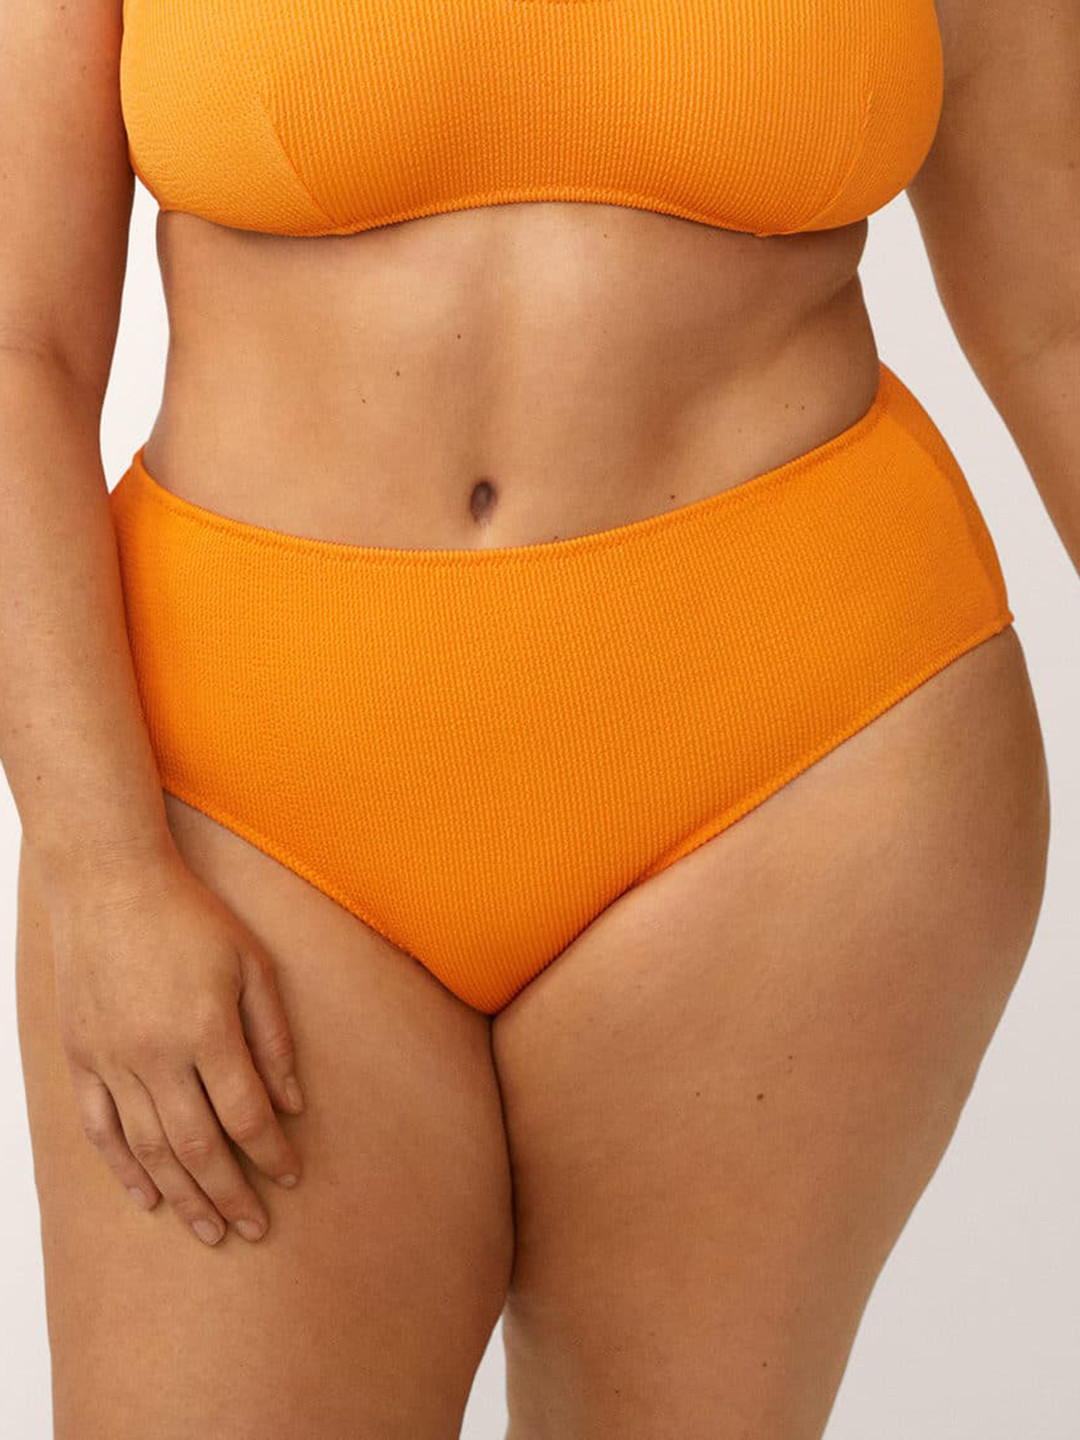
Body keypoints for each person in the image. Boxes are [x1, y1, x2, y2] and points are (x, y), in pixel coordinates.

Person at [0, 0, 1063, 1435]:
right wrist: (102, 873)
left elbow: (1058, 325)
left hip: (803, 758)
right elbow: (18, 349)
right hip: (236, 787)